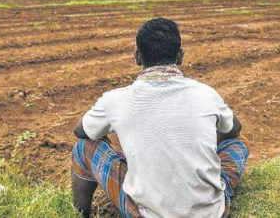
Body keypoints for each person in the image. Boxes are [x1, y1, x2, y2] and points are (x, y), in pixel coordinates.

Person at [71, 18, 249, 218]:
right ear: (180, 56)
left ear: (137, 57)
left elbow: (81, 131)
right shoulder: (206, 94)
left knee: (83, 148)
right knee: (238, 144)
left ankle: (80, 215)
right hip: (212, 213)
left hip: (144, 214)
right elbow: (234, 130)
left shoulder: (116, 99)